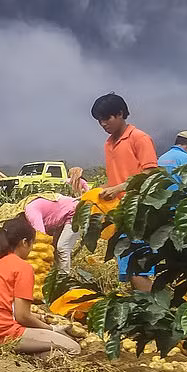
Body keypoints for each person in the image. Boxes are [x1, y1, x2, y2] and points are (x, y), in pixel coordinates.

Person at [74, 92, 158, 292]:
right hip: (119, 214)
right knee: (128, 268)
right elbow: (115, 179)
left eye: (107, 118)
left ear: (120, 113)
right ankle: (141, 305)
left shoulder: (139, 138)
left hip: (139, 212)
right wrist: (93, 193)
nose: (103, 124)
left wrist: (119, 189)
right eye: (99, 120)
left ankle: (152, 306)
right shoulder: (109, 144)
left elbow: (150, 173)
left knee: (139, 268)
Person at [0, 214, 81, 356]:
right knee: (73, 347)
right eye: (32, 244)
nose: (31, 249)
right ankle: (32, 354)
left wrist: (39, 318)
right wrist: (51, 329)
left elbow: (4, 306)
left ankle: (29, 352)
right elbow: (22, 316)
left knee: (50, 343)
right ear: (25, 242)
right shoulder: (22, 268)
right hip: (0, 333)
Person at [23, 195, 81, 273]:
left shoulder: (31, 212)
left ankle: (64, 277)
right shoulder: (30, 211)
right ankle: (55, 274)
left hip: (75, 212)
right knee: (54, 247)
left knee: (62, 247)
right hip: (63, 215)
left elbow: (42, 238)